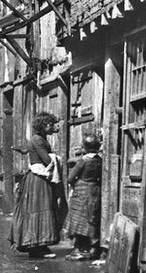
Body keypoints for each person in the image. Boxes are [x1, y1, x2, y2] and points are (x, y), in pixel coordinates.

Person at [10, 111, 64, 258]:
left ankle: (39, 246)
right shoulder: (37, 140)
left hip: (40, 179)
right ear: (44, 125)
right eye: (51, 124)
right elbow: (47, 160)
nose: (53, 127)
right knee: (40, 209)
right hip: (38, 180)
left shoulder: (41, 138)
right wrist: (57, 158)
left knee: (41, 209)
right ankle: (38, 247)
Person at [65, 132, 102, 260]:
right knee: (90, 218)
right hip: (94, 190)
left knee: (77, 219)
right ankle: (91, 247)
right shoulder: (99, 161)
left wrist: (75, 183)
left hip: (80, 191)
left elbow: (70, 178)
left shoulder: (83, 161)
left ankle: (78, 247)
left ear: (85, 147)